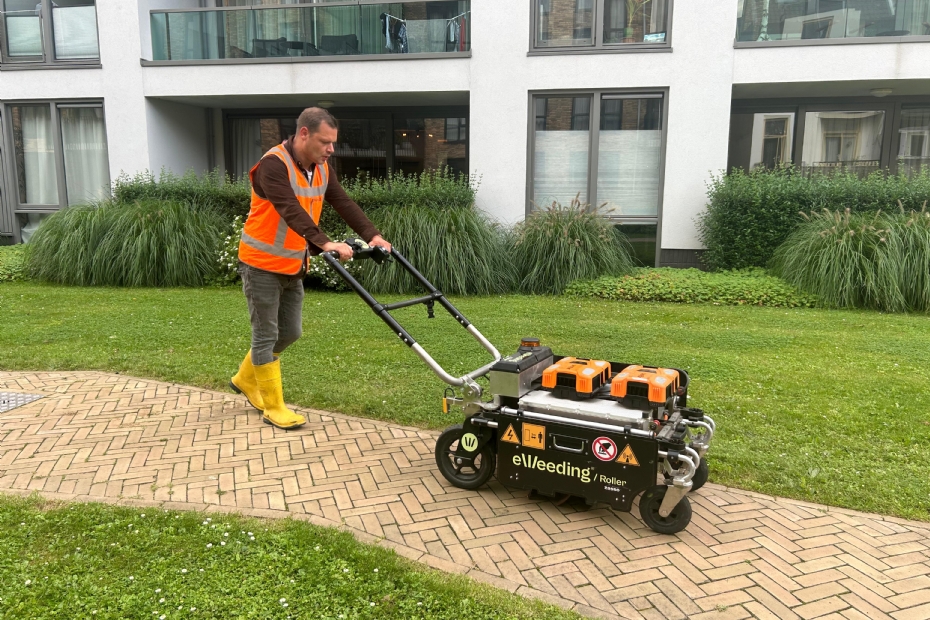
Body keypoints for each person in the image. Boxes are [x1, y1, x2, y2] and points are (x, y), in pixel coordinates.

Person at [231, 107, 391, 430]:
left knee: (291, 332)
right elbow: (289, 209)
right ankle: (273, 406)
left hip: (292, 264)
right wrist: (324, 242)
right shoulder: (272, 165)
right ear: (304, 134)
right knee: (266, 335)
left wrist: (372, 235)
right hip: (261, 264)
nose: (331, 149)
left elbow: (343, 202)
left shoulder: (321, 168)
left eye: (333, 142)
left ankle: (246, 378)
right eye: (325, 142)